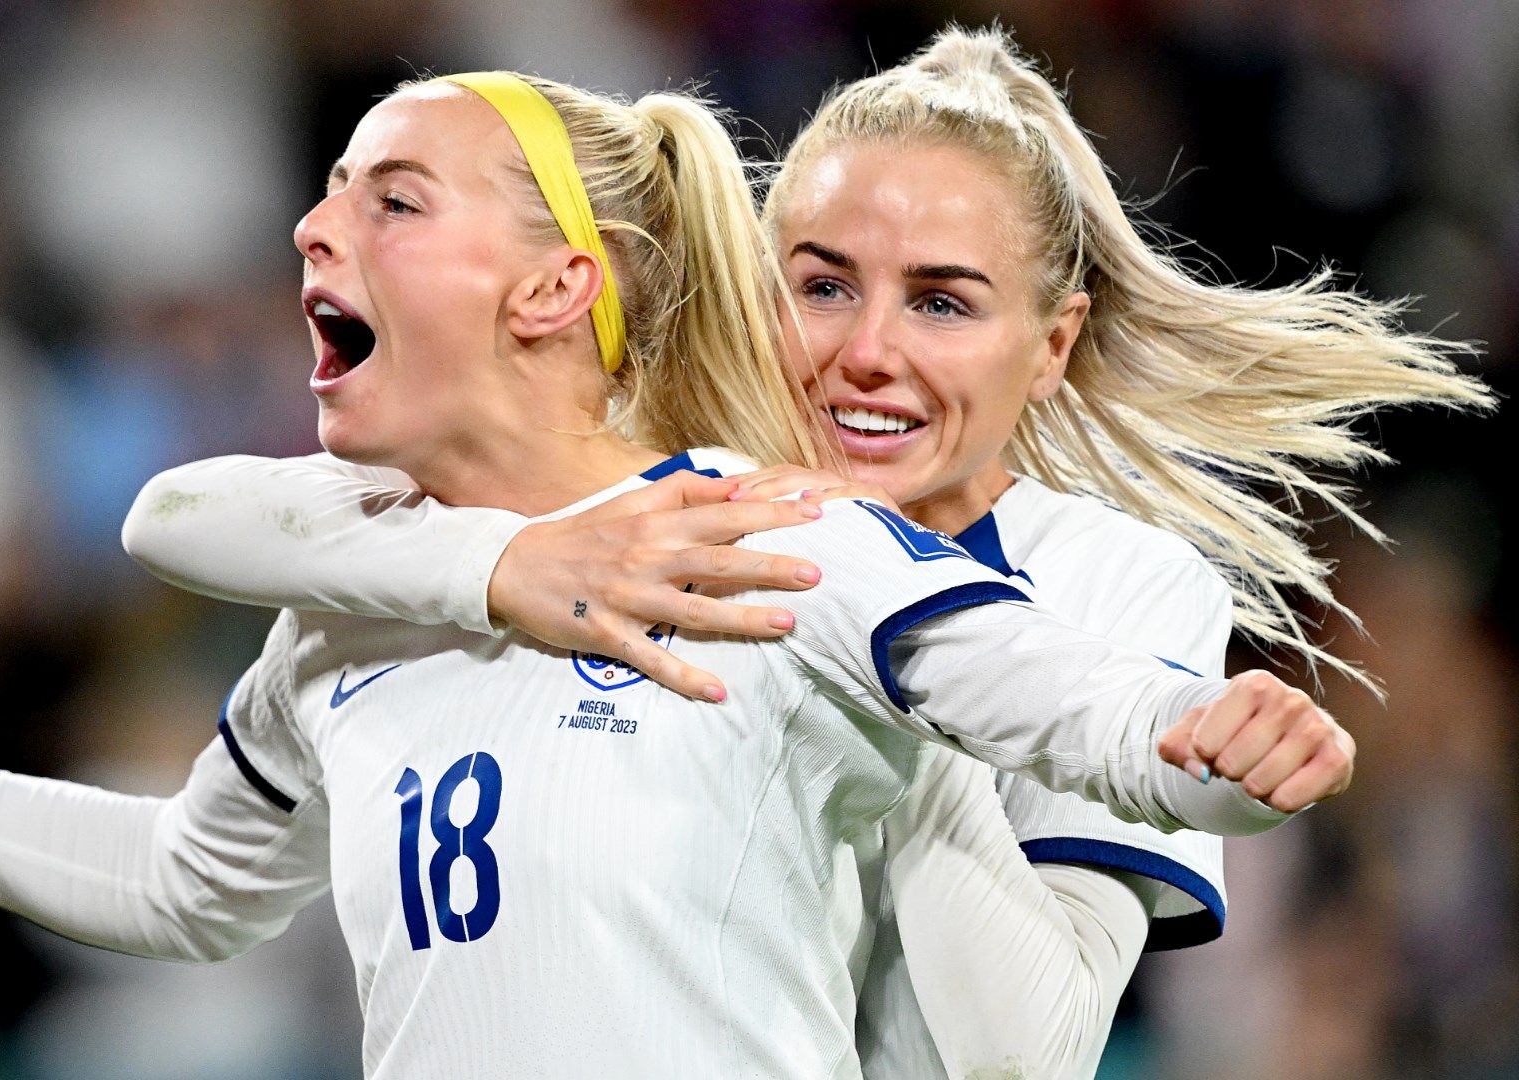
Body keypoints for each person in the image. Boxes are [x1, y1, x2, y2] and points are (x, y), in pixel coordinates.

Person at [0, 69, 1353, 1079]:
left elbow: (1062, 699)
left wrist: (1210, 741)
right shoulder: (358, 607)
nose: (315, 230)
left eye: (392, 201)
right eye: (324, 196)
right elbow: (185, 876)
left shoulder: (774, 545)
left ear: (553, 289)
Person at [116, 30, 1488, 1078]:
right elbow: (201, 514)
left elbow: (1029, 1054)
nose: (866, 352)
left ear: (1052, 343)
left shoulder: (1111, 582)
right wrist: (489, 573)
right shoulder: (665, 502)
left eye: (941, 302)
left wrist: (898, 664)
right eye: (822, 284)